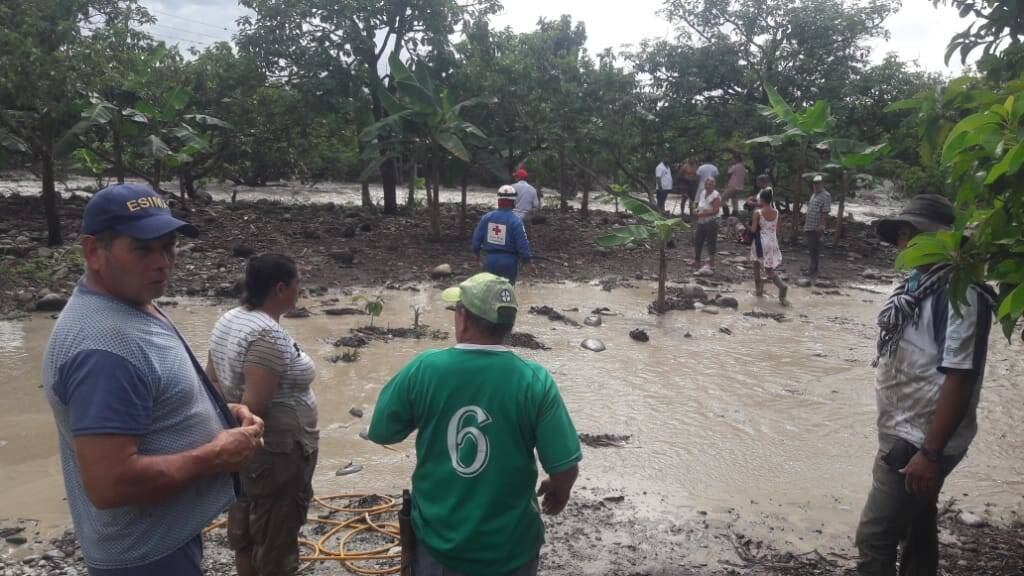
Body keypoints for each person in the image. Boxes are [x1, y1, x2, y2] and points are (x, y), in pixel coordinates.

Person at [42, 183, 264, 576]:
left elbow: (149, 403)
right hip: (144, 558)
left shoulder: (130, 304)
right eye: (143, 249)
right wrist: (216, 455)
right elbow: (110, 484)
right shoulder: (105, 349)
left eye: (168, 246)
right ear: (94, 252)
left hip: (163, 539)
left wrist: (219, 413)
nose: (163, 261)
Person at [367, 272, 582, 576]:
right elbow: (565, 468)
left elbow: (382, 431)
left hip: (439, 545)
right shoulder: (535, 380)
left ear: (463, 318)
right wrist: (560, 490)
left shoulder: (425, 368)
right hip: (512, 549)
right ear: (509, 326)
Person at [855, 194, 995, 576]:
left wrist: (930, 454)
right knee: (917, 522)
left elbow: (960, 376)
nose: (904, 244)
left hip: (920, 438)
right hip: (903, 428)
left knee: (875, 536)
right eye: (903, 235)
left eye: (913, 235)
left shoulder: (960, 295)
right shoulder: (917, 288)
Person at [207, 254, 319, 576]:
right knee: (276, 539)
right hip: (276, 456)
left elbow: (211, 380)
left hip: (246, 453)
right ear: (280, 288)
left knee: (245, 532)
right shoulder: (266, 337)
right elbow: (254, 406)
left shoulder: (229, 319)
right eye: (298, 285)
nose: (300, 292)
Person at [472, 185, 536, 284]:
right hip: (509, 263)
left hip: (489, 261)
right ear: (513, 202)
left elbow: (476, 241)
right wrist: (528, 262)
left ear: (498, 201)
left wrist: (476, 254)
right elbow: (522, 245)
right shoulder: (516, 221)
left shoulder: (486, 218)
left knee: (489, 293)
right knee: (506, 295)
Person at [749, 189, 789, 305]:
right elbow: (779, 229)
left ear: (761, 199)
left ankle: (760, 290)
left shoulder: (758, 212)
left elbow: (753, 230)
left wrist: (745, 225)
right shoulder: (776, 212)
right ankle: (781, 287)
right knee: (769, 269)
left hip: (760, 242)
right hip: (772, 241)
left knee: (756, 264)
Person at [692, 177, 722, 276]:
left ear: (714, 185)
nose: (708, 186)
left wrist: (702, 214)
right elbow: (700, 205)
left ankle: (712, 263)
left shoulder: (716, 195)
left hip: (711, 221)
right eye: (707, 184)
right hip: (701, 220)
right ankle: (697, 260)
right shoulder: (703, 192)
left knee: (711, 242)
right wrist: (696, 210)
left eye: (710, 184)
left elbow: (715, 211)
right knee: (698, 241)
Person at [804, 175, 832, 278]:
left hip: (816, 227)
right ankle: (813, 269)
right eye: (815, 183)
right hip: (809, 226)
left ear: (822, 184)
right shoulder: (814, 194)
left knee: (814, 249)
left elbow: (825, 212)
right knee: (812, 249)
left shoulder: (826, 195)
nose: (816, 185)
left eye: (818, 183)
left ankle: (812, 270)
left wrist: (821, 225)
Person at [724, 153, 748, 217]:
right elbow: (745, 178)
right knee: (734, 199)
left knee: (723, 199)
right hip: (739, 187)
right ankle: (735, 213)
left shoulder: (735, 166)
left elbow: (728, 173)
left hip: (733, 186)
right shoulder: (743, 167)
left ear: (736, 159)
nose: (732, 160)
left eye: (733, 159)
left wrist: (730, 165)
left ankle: (726, 214)